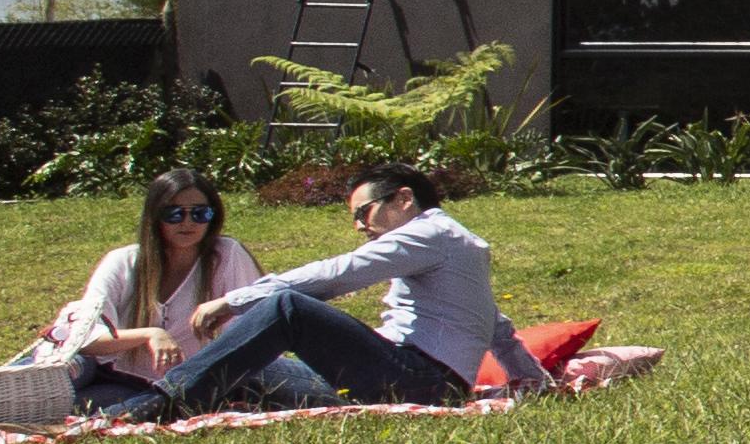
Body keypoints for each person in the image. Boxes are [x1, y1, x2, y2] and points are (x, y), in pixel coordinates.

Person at [127, 166, 559, 417]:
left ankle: (157, 406)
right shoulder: (460, 245)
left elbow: (339, 274)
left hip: (418, 381)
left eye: (364, 212)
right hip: (412, 382)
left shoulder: (430, 234)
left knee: (288, 310)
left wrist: (234, 299)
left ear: (404, 198)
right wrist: (537, 381)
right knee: (251, 365)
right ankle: (157, 407)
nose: (358, 226)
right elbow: (496, 327)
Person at [46, 173, 270, 412]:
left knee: (63, 410)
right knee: (61, 374)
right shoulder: (123, 261)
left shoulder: (226, 255)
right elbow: (86, 339)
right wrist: (150, 334)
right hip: (106, 369)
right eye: (173, 214)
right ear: (155, 217)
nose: (188, 222)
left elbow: (253, 325)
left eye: (200, 213)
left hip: (159, 386)